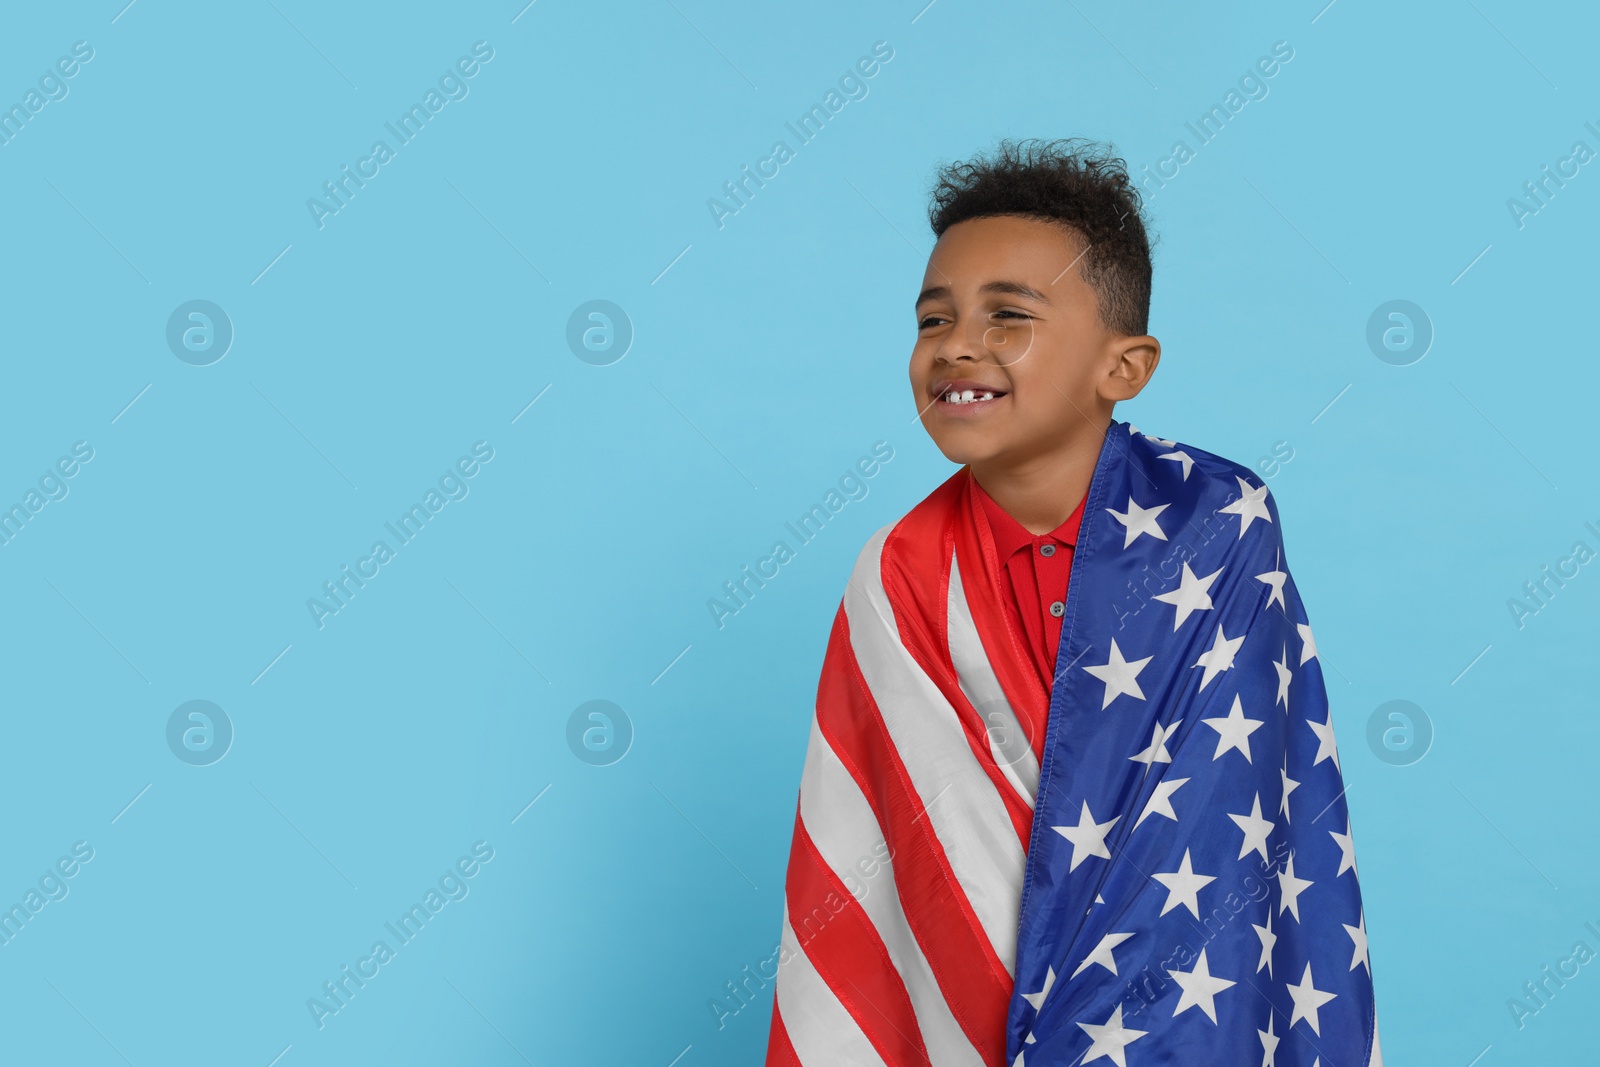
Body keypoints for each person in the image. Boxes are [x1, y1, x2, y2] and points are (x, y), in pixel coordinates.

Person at [763, 139, 1378, 1066]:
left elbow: (1223, 810)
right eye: (934, 320)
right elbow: (889, 857)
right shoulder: (899, 571)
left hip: (1178, 1010)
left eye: (1008, 315)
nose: (958, 345)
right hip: (977, 1013)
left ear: (1124, 367)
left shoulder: (1216, 526)